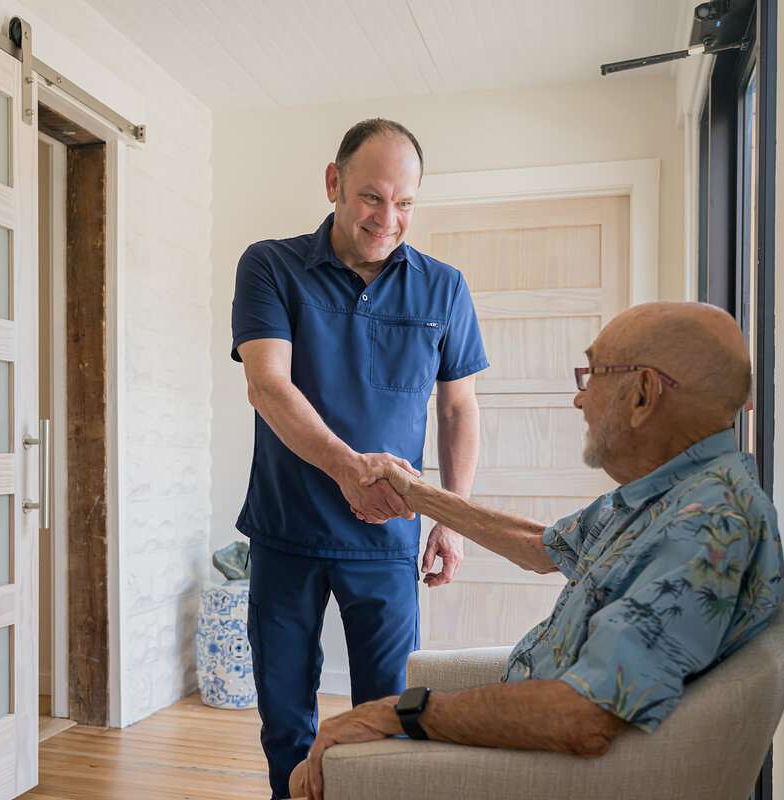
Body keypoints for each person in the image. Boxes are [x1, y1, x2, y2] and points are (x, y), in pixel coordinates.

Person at [288, 302, 784, 800]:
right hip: (530, 722)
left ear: (642, 394)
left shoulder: (705, 529)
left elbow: (580, 718)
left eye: (591, 374)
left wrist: (396, 712)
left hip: (545, 760)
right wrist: (416, 494)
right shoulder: (665, 493)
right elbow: (538, 546)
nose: (579, 399)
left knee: (312, 773)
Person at [231, 118, 489, 798]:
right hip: (287, 529)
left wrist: (451, 520)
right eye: (373, 197)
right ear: (333, 184)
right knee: (285, 713)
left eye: (404, 203)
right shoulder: (271, 265)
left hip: (385, 538)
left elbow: (459, 409)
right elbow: (268, 385)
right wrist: (349, 469)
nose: (388, 217)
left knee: (387, 716)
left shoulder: (444, 289)